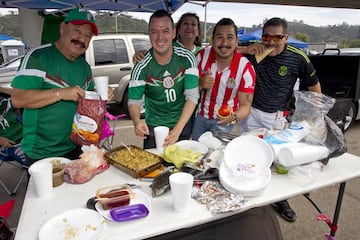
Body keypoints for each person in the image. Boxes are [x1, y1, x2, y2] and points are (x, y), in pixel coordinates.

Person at [238, 17, 321, 223]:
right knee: (248, 154)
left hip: (276, 116)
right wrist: (246, 50)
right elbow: (226, 50)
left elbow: (314, 86)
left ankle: (281, 200)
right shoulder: (253, 50)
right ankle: (246, 191)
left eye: (277, 37)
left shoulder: (298, 57)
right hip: (250, 112)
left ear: (286, 37)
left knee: (278, 160)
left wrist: (315, 117)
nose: (271, 42)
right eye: (267, 36)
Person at [10, 7, 111, 166]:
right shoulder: (38, 57)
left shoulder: (84, 66)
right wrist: (60, 93)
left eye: (87, 36)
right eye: (77, 31)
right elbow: (18, 99)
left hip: (76, 147)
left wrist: (100, 96)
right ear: (63, 28)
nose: (82, 39)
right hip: (42, 152)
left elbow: (87, 102)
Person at [127, 10, 199, 149]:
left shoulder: (187, 58)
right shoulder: (141, 66)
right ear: (149, 34)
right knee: (154, 169)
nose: (160, 37)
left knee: (181, 168)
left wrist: (177, 131)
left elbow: (192, 96)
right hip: (154, 128)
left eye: (165, 31)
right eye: (154, 31)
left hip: (182, 125)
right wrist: (137, 121)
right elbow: (134, 101)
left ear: (173, 33)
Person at [191, 18, 256, 141]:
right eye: (220, 37)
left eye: (230, 37)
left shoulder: (246, 69)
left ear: (237, 41)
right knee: (195, 152)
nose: (224, 43)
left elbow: (245, 106)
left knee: (217, 155)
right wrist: (199, 83)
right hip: (201, 117)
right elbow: (189, 90)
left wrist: (234, 117)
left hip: (226, 121)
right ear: (213, 40)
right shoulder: (201, 56)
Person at [133, 12, 202, 62]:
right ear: (178, 29)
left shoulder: (202, 52)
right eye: (185, 23)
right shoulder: (168, 47)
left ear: (198, 31)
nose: (189, 27)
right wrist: (140, 55)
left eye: (193, 24)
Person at [0, 87, 26, 166]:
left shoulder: (4, 104)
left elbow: (23, 96)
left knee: (46, 148)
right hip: (6, 145)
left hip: (25, 138)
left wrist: (1, 89)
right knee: (27, 158)